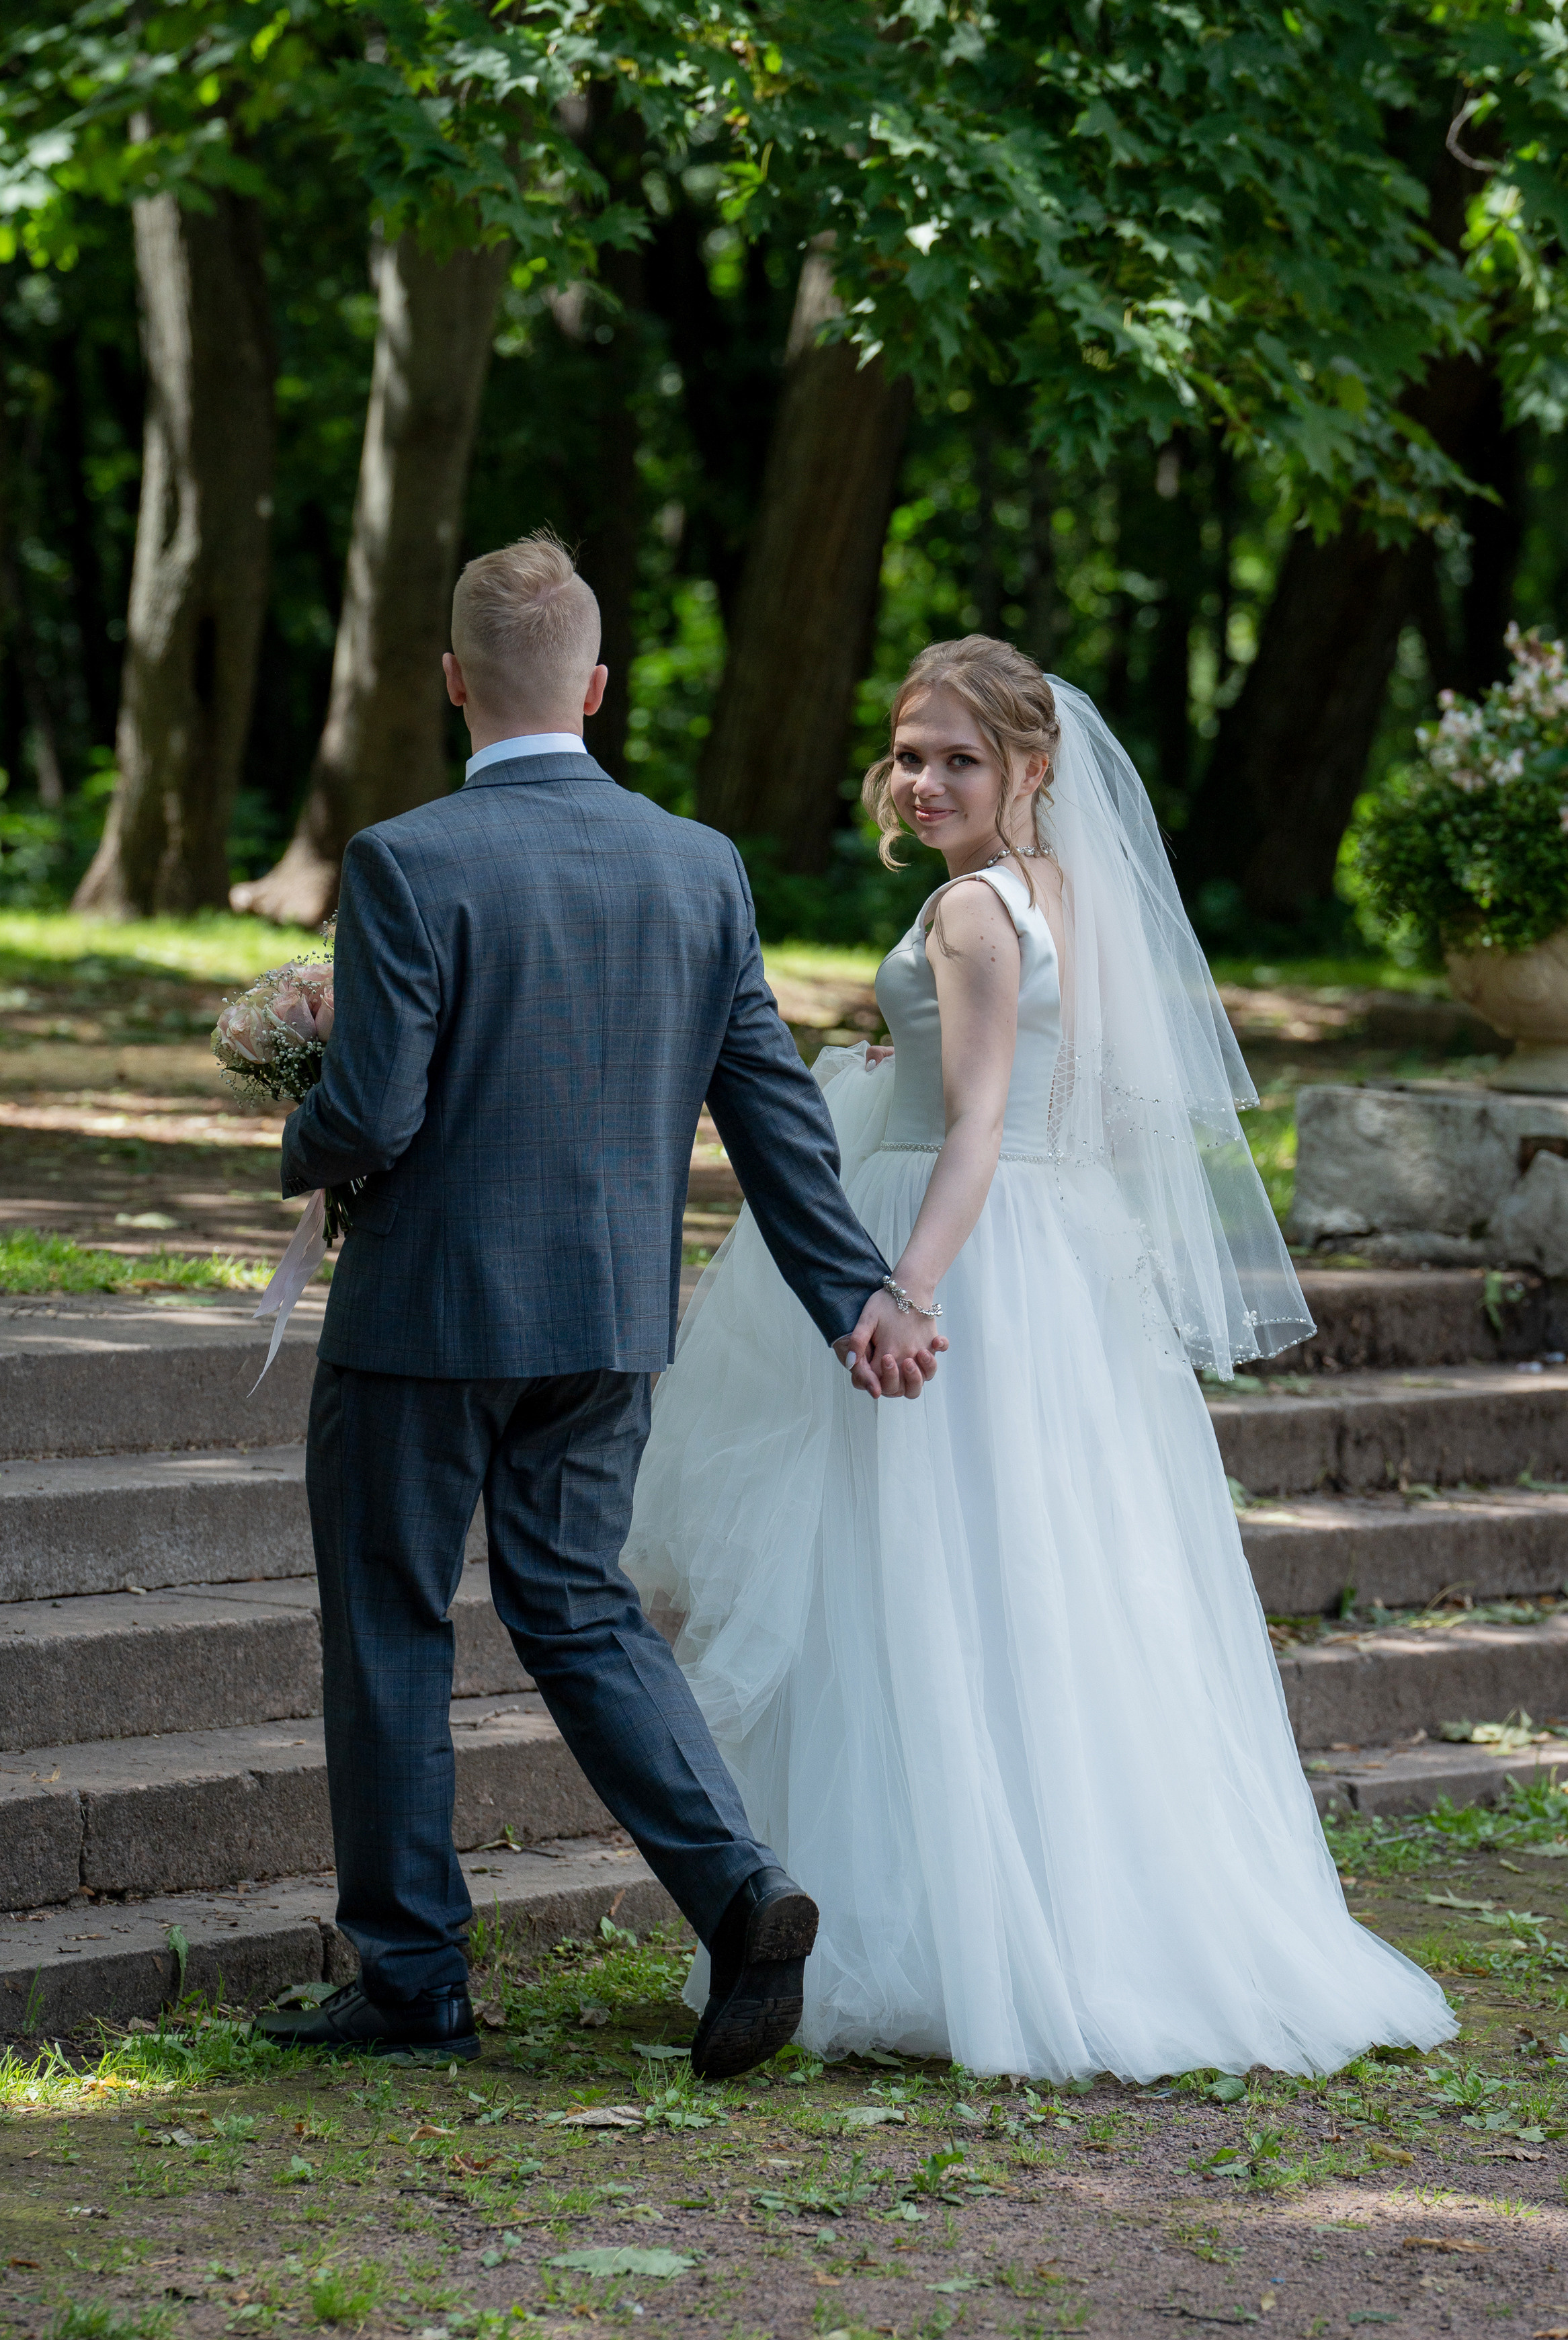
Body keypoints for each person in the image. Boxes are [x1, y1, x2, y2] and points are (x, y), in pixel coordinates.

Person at [625, 636, 1456, 2081]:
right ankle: (1067, 1921)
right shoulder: (1063, 893)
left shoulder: (968, 913)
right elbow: (1018, 1082)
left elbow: (982, 1125)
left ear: (1032, 767)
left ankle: (955, 1940)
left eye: (962, 756)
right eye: (912, 751)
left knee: (924, 1599)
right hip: (1063, 1270)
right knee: (1052, 1596)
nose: (928, 778)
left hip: (971, 1258)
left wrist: (905, 1287)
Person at [251, 531, 941, 2075]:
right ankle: (741, 1890)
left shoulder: (406, 862)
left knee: (387, 1625)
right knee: (577, 1607)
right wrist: (859, 1291)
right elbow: (770, 1108)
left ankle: (416, 1977)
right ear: (601, 687)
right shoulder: (699, 867)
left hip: (422, 1322)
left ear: (452, 684)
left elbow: (369, 1116)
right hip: (610, 1321)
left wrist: (296, 1135)